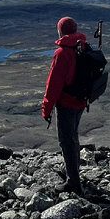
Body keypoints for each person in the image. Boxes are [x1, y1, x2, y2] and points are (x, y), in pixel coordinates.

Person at [40, 16, 88, 193]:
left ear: (60, 31)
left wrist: (46, 108)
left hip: (67, 103)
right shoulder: (82, 46)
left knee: (66, 141)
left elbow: (53, 85)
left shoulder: (62, 53)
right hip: (81, 101)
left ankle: (73, 183)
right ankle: (72, 172)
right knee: (73, 137)